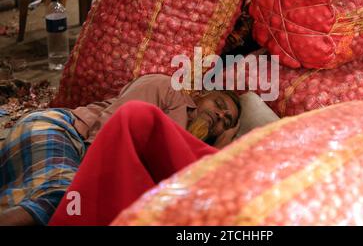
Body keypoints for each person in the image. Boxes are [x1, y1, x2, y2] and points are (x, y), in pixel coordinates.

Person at [0, 74, 241, 226]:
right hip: (61, 130)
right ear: (199, 95)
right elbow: (104, 135)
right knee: (66, 200)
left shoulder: (184, 153)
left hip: (70, 156)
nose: (219, 115)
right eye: (218, 104)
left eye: (225, 121)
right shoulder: (167, 89)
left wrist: (220, 149)